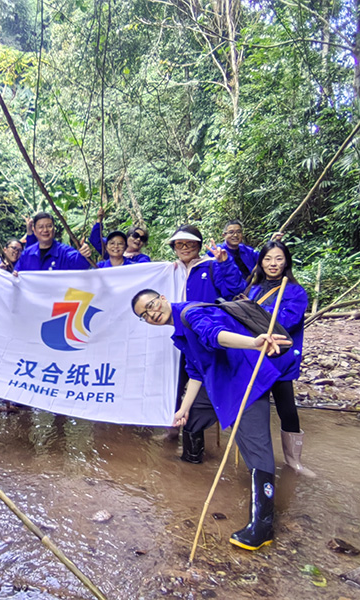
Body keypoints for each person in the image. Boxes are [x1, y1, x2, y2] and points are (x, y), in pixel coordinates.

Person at [132, 289, 291, 551]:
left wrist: (253, 342)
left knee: (256, 450)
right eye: (144, 315)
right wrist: (183, 409)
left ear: (161, 297)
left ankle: (262, 526)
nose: (152, 314)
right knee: (193, 416)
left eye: (151, 305)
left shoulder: (191, 313)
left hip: (242, 382)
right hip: (218, 383)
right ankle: (191, 461)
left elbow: (213, 334)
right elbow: (196, 369)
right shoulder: (180, 328)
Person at [169, 224, 246, 459]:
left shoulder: (211, 266)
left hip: (206, 337)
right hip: (178, 338)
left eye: (189, 244)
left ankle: (195, 448)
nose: (184, 248)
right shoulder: (169, 270)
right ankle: (174, 433)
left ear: (198, 246)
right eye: (179, 244)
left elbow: (235, 288)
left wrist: (224, 262)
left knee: (203, 383)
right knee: (176, 383)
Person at [246, 241, 315, 477]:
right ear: (261, 262)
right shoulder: (253, 289)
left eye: (278, 259)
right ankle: (260, 460)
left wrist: (255, 318)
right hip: (255, 356)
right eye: (267, 259)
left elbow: (287, 321)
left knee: (287, 408)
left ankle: (294, 461)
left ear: (286, 261)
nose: (273, 264)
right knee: (258, 408)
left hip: (280, 358)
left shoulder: (295, 291)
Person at [16, 212, 92, 271]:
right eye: (41, 227)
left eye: (49, 226)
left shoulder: (64, 252)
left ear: (54, 229)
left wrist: (83, 255)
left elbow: (80, 264)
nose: (45, 230)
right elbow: (17, 274)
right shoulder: (27, 254)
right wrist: (15, 274)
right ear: (34, 231)